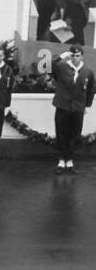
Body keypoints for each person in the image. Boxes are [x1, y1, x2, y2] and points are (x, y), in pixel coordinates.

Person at [51, 44, 96, 173]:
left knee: (74, 135)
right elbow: (46, 68)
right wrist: (60, 57)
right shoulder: (61, 67)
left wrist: (86, 105)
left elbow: (91, 89)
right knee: (61, 133)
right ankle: (61, 162)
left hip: (77, 108)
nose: (75, 58)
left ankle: (69, 162)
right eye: (73, 55)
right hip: (62, 106)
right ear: (70, 56)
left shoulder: (88, 71)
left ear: (82, 56)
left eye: (78, 56)